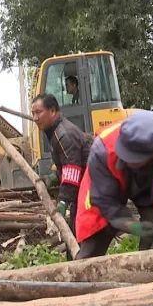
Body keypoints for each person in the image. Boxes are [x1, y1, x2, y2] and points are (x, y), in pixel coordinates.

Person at [75, 110, 153, 259]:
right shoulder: (102, 149)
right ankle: (81, 276)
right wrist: (131, 225)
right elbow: (104, 200)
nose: (130, 161)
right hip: (108, 185)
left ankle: (149, 270)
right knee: (94, 236)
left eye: (136, 159)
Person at [31, 93, 89, 231]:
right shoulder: (54, 132)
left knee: (79, 235)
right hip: (83, 189)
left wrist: (63, 202)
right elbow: (66, 165)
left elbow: (72, 170)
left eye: (38, 112)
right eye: (33, 113)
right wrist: (54, 177)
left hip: (89, 189)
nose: (35, 118)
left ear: (52, 111)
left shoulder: (64, 135)